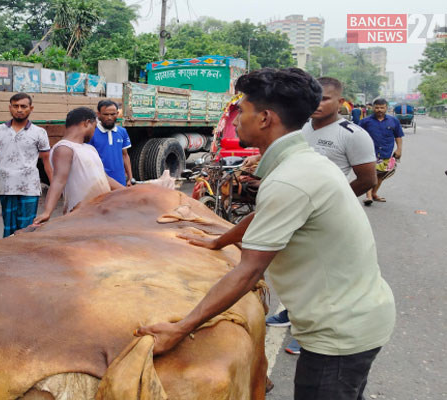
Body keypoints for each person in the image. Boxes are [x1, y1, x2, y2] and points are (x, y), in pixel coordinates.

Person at [137, 68, 395, 400]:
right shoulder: (304, 163)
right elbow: (267, 214)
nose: (236, 121)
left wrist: (179, 328)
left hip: (339, 336)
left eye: (241, 111)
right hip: (360, 318)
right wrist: (220, 240)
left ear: (265, 118)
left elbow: (249, 271)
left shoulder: (290, 178)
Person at [266, 77, 378, 355]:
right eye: (314, 97)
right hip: (295, 211)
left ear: (341, 102)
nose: (317, 103)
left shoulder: (353, 134)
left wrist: (330, 202)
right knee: (294, 267)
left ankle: (309, 333)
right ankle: (292, 313)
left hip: (323, 218)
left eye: (325, 98)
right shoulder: (300, 128)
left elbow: (368, 178)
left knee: (320, 276)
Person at [0, 93, 53, 237]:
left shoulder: (39, 133)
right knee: (9, 228)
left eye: (23, 106)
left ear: (31, 108)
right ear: (10, 108)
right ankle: (8, 257)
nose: (19, 110)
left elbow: (46, 162)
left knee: (27, 230)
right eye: (16, 106)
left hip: (29, 188)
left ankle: (25, 257)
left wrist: (54, 187)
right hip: (7, 188)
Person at [33, 107, 124, 225]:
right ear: (86, 123)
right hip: (78, 216)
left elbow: (105, 178)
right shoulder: (65, 148)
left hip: (100, 212)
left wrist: (130, 192)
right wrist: (47, 212)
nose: (94, 132)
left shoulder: (89, 148)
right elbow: (58, 181)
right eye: (94, 127)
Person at [359, 98, 404, 204]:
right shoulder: (365, 121)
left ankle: (374, 193)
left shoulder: (393, 121)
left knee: (381, 175)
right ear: (373, 108)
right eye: (377, 107)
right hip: (369, 153)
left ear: (386, 108)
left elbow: (398, 136)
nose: (379, 110)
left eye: (382, 107)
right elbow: (357, 135)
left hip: (386, 152)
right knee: (370, 175)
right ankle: (368, 196)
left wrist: (399, 149)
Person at [88, 100, 133, 186]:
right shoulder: (92, 132)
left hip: (119, 179)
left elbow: (125, 155)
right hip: (99, 181)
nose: (109, 117)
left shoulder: (122, 132)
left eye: (112, 114)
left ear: (117, 113)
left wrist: (130, 178)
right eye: (105, 114)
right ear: (99, 114)